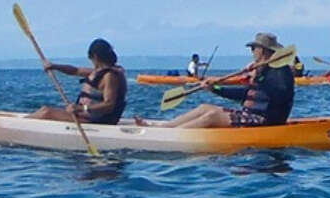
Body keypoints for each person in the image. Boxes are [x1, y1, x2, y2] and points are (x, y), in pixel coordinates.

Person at [139, 33, 294, 129]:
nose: (252, 52)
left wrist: (258, 76)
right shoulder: (263, 70)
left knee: (212, 115)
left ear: (264, 50)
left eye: (254, 49)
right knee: (205, 107)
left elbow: (280, 93)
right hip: (250, 115)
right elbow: (245, 94)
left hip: (265, 121)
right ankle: (166, 127)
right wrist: (216, 89)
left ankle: (172, 135)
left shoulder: (281, 71)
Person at [27, 38, 127, 125]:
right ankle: (23, 121)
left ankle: (21, 125)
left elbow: (109, 105)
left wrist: (81, 108)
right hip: (86, 116)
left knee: (46, 112)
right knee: (44, 110)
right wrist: (54, 66)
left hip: (96, 121)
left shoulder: (110, 76)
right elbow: (75, 70)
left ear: (95, 57)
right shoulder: (98, 72)